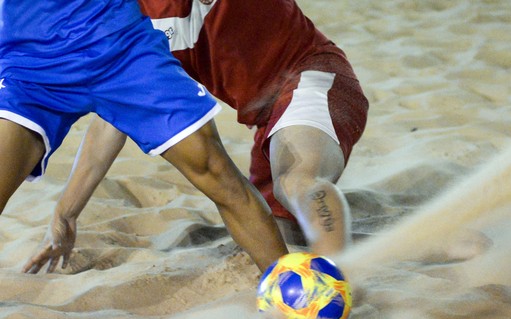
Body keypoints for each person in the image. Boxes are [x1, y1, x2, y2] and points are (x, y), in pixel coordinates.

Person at [26, 0, 369, 273]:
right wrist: (65, 213)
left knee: (296, 182)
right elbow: (111, 122)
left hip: (315, 79)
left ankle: (336, 284)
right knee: (275, 237)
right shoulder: (127, 17)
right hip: (267, 122)